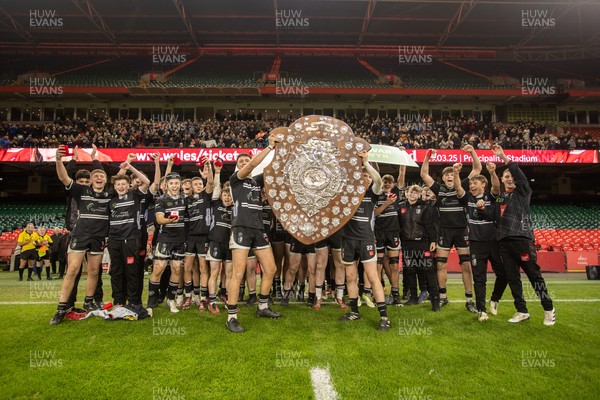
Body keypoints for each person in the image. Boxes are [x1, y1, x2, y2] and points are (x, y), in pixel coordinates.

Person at [487, 145, 555, 326]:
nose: (509, 179)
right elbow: (492, 211)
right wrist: (481, 208)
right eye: (506, 177)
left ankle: (548, 309)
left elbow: (519, 175)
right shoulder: (502, 197)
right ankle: (521, 310)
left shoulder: (523, 192)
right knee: (512, 278)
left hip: (522, 239)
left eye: (511, 177)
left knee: (534, 275)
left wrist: (503, 157)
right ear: (502, 179)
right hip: (503, 241)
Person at [226, 134, 282, 333]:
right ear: (237, 166)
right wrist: (268, 147)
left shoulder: (257, 182)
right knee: (238, 273)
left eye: (246, 160)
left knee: (271, 269)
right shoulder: (236, 180)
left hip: (258, 229)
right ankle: (231, 316)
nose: (245, 163)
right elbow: (251, 166)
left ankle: (263, 306)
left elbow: (271, 169)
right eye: (241, 161)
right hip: (241, 228)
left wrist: (280, 149)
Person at [50, 146, 112, 325]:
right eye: (96, 176)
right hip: (80, 235)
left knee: (93, 271)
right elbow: (63, 177)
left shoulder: (110, 194)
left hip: (98, 238)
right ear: (90, 180)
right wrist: (58, 160)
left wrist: (95, 159)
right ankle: (61, 308)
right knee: (72, 270)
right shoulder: (81, 190)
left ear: (106, 180)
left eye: (102, 176)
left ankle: (89, 302)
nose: (99, 177)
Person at [420, 145, 481, 312]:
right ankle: (442, 296)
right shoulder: (439, 190)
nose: (449, 176)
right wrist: (427, 157)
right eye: (446, 175)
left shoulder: (463, 185)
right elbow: (424, 174)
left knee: (466, 265)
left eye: (451, 174)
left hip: (461, 230)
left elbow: (477, 168)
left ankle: (469, 299)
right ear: (443, 179)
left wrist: (472, 152)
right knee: (440, 265)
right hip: (444, 232)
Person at [339, 150, 390, 331]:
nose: (367, 178)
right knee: (351, 277)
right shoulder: (348, 192)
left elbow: (379, 181)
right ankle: (354, 311)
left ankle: (384, 316)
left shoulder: (373, 193)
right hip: (347, 240)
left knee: (372, 277)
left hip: (366, 239)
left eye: (368, 176)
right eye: (364, 175)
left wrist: (366, 163)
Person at [457, 161, 508, 321]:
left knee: (504, 274)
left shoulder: (490, 197)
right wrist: (456, 172)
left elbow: (496, 188)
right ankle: (481, 310)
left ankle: (494, 299)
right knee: (479, 278)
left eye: (475, 182)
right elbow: (458, 188)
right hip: (476, 244)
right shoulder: (467, 199)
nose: (471, 185)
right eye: (471, 183)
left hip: (494, 242)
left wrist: (492, 173)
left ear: (483, 185)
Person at [107, 162, 150, 307]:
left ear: (128, 185)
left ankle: (133, 301)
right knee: (116, 272)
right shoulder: (111, 199)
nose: (120, 187)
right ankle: (118, 301)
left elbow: (146, 182)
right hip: (114, 240)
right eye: (118, 184)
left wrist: (129, 167)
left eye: (123, 184)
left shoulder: (135, 195)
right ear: (114, 186)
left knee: (132, 272)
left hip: (131, 239)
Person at [147, 172, 187, 316]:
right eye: (172, 183)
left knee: (176, 270)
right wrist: (169, 220)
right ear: (167, 185)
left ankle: (171, 299)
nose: (175, 186)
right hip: (165, 239)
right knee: (158, 269)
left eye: (177, 183)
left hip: (180, 240)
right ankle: (150, 303)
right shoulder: (161, 200)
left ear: (180, 184)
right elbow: (158, 219)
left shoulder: (185, 199)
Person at [397, 185, 440, 311]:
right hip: (407, 244)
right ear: (406, 193)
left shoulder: (425, 207)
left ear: (419, 194)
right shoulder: (401, 207)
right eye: (411, 192)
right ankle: (413, 297)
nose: (413, 194)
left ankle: (435, 300)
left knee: (429, 270)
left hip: (422, 243)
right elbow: (399, 225)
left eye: (416, 193)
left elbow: (430, 225)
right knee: (410, 270)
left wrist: (433, 240)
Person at [373, 164, 406, 306]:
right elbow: (374, 213)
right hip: (379, 233)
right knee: (378, 265)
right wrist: (386, 203)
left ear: (393, 185)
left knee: (394, 265)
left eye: (389, 182)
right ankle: (377, 293)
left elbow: (402, 176)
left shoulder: (396, 194)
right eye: (384, 181)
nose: (386, 184)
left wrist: (403, 162)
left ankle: (395, 294)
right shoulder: (376, 195)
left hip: (393, 232)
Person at [206, 161, 232, 314]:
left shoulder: (234, 208)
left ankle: (228, 299)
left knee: (228, 274)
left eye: (229, 195)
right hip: (215, 241)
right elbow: (216, 187)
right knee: (214, 273)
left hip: (230, 244)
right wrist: (217, 172)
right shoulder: (216, 204)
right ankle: (212, 301)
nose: (227, 197)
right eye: (225, 194)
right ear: (221, 194)